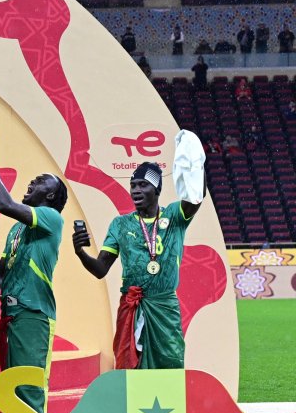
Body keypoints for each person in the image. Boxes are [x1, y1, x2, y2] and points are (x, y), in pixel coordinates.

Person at [72, 158, 203, 369]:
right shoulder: (120, 224)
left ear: (157, 189)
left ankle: (168, 402)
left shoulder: (174, 216)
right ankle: (132, 403)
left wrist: (195, 160)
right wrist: (80, 252)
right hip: (131, 307)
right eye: (133, 185)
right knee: (129, 366)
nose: (136, 190)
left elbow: (196, 198)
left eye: (143, 185)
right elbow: (100, 269)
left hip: (164, 307)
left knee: (169, 364)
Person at [0, 136, 68, 413]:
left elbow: (4, 204)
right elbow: (3, 270)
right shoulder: (19, 230)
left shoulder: (51, 218)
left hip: (33, 315)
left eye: (41, 181)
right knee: (10, 389)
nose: (32, 181)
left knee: (29, 389)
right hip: (13, 315)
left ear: (52, 194)